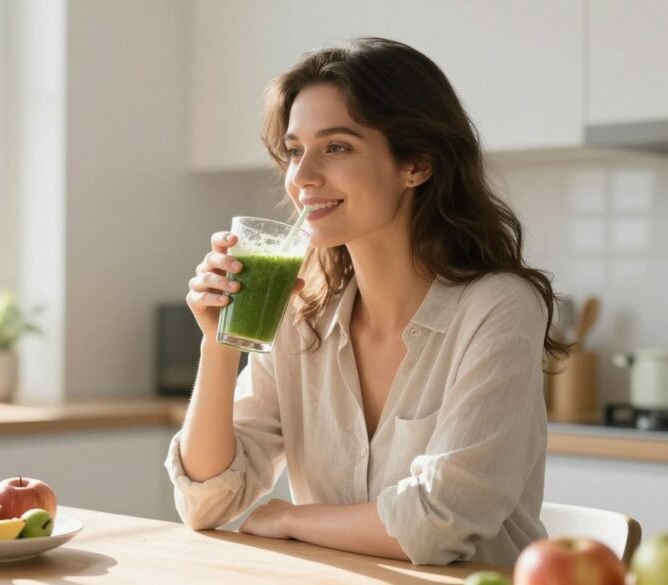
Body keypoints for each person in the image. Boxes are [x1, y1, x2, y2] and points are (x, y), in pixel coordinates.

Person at [164, 37, 568, 566]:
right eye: (294, 150)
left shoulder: (497, 307)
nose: (301, 177)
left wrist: (290, 520)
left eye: (336, 147)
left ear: (416, 163)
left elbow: (442, 521)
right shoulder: (300, 311)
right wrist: (219, 343)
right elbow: (207, 501)